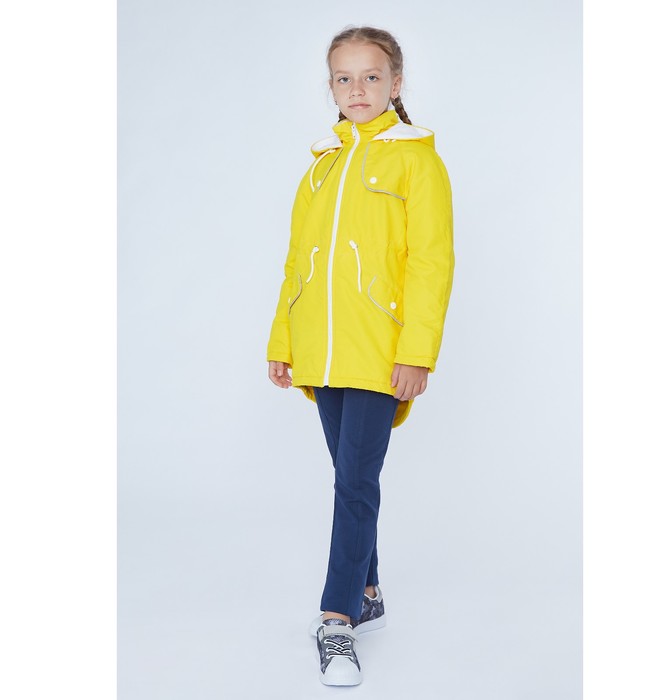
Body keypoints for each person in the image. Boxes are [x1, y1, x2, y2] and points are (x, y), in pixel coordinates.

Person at [267, 25, 454, 686]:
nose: (357, 89)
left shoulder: (418, 162)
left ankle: (337, 618)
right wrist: (283, 342)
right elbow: (298, 264)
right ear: (331, 87)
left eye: (371, 76)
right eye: (343, 78)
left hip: (380, 353)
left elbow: (431, 264)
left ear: (395, 83)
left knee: (353, 482)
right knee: (350, 478)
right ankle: (368, 593)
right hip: (321, 353)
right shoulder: (320, 167)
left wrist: (417, 353)